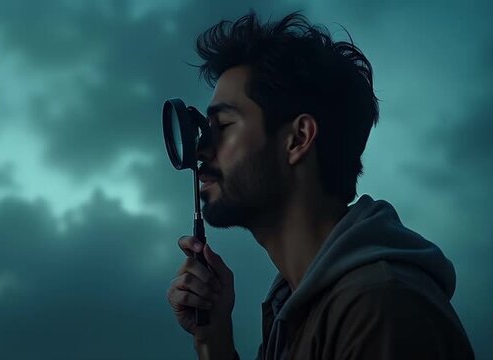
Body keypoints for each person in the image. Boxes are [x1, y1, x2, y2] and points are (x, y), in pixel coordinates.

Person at [165, 10, 474, 360]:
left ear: (298, 138)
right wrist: (213, 339)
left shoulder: (381, 309)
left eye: (222, 125)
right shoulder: (295, 310)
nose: (201, 150)